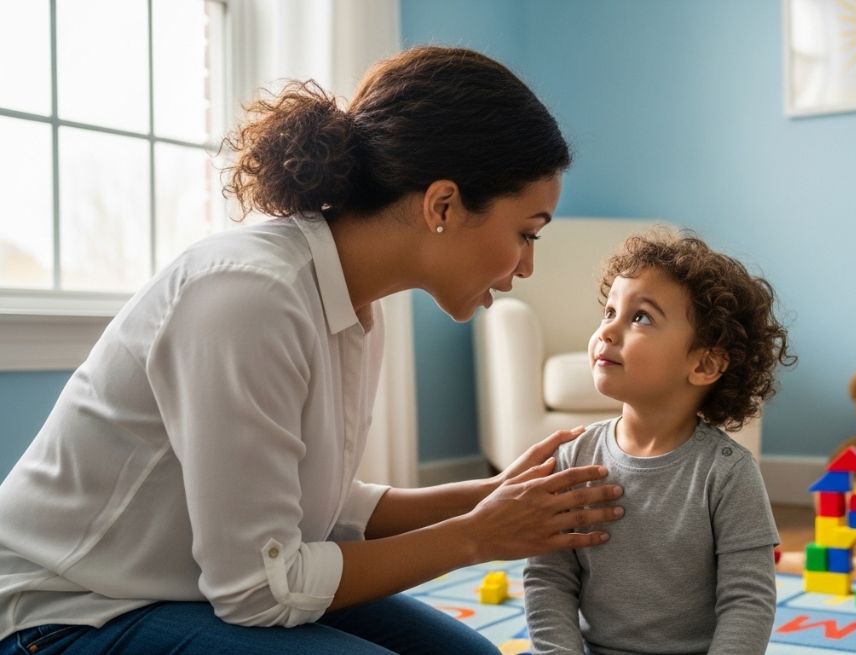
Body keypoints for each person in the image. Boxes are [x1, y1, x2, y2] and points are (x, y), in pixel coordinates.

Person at [0, 46, 625, 655]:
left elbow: (317, 507)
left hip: (182, 590)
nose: (528, 265)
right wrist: (476, 537)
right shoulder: (249, 297)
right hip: (68, 613)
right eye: (526, 233)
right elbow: (259, 591)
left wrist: (488, 495)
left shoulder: (355, 309)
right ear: (442, 204)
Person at [524, 229, 796, 654]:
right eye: (609, 311)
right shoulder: (573, 458)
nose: (608, 331)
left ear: (704, 363)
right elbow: (549, 577)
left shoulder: (727, 472)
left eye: (641, 317)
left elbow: (748, 599)